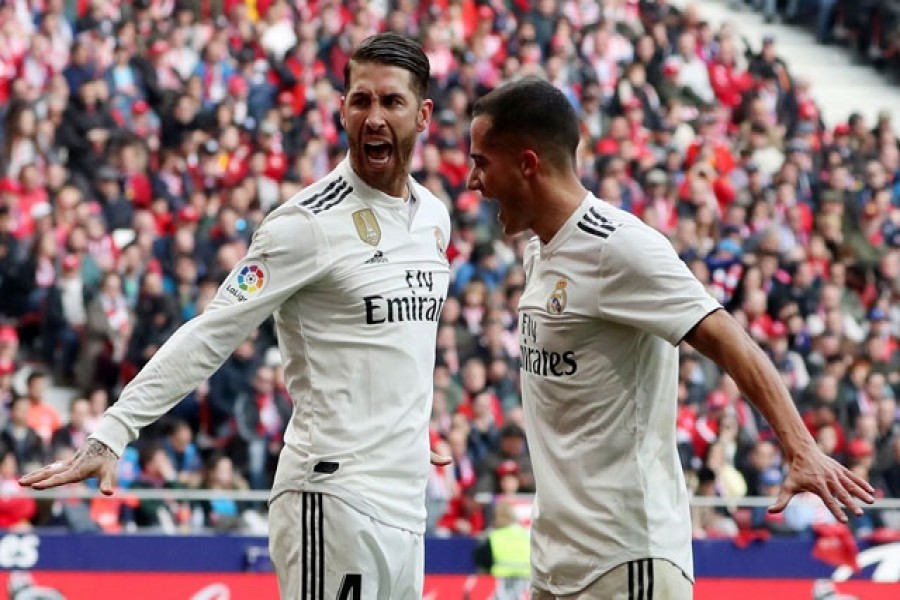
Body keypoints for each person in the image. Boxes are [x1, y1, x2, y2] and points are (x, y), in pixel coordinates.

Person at [21, 32, 452, 599]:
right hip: (334, 497)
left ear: (422, 116)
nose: (373, 117)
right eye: (360, 100)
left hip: (407, 503)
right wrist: (114, 430)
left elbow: (396, 342)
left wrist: (405, 421)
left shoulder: (433, 219)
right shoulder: (306, 224)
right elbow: (211, 333)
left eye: (391, 102)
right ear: (340, 108)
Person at [465, 77, 875, 599]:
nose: (474, 181)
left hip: (626, 558)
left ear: (528, 163)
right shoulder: (540, 254)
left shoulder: (620, 248)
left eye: (482, 162)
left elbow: (728, 337)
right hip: (556, 560)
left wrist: (800, 448)